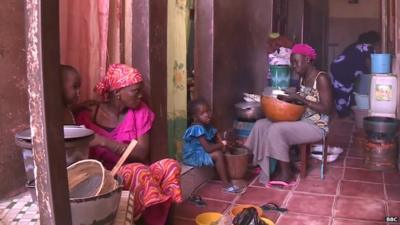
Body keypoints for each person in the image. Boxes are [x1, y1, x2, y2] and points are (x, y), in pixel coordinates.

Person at [75, 64, 182, 225]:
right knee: (138, 171)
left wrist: (105, 141)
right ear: (117, 93)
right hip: (106, 178)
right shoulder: (88, 116)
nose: (140, 96)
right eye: (136, 91)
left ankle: (162, 219)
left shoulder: (140, 111)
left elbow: (141, 153)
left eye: (141, 90)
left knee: (170, 165)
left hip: (138, 171)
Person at [244, 44, 333, 186]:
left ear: (307, 60)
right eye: (292, 63)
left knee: (276, 130)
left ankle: (286, 174)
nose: (293, 67)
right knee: (262, 124)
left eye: (296, 62)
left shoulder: (321, 78)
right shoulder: (303, 78)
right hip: (302, 120)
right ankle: (258, 163)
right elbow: (302, 103)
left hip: (317, 127)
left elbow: (327, 109)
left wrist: (299, 98)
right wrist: (288, 99)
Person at [182, 99, 240, 193]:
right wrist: (221, 144)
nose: (207, 114)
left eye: (208, 111)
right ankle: (226, 185)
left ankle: (223, 175)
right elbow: (208, 149)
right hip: (193, 156)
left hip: (200, 151)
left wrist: (223, 142)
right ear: (195, 117)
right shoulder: (197, 128)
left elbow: (216, 134)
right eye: (202, 113)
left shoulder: (206, 125)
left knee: (220, 150)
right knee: (218, 154)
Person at [330, 31, 381, 117]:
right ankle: (345, 113)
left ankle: (342, 112)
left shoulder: (354, 46)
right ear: (374, 41)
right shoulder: (368, 47)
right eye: (378, 43)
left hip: (337, 67)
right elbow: (370, 61)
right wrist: (373, 74)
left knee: (342, 91)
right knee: (350, 90)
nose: (379, 45)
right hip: (345, 70)